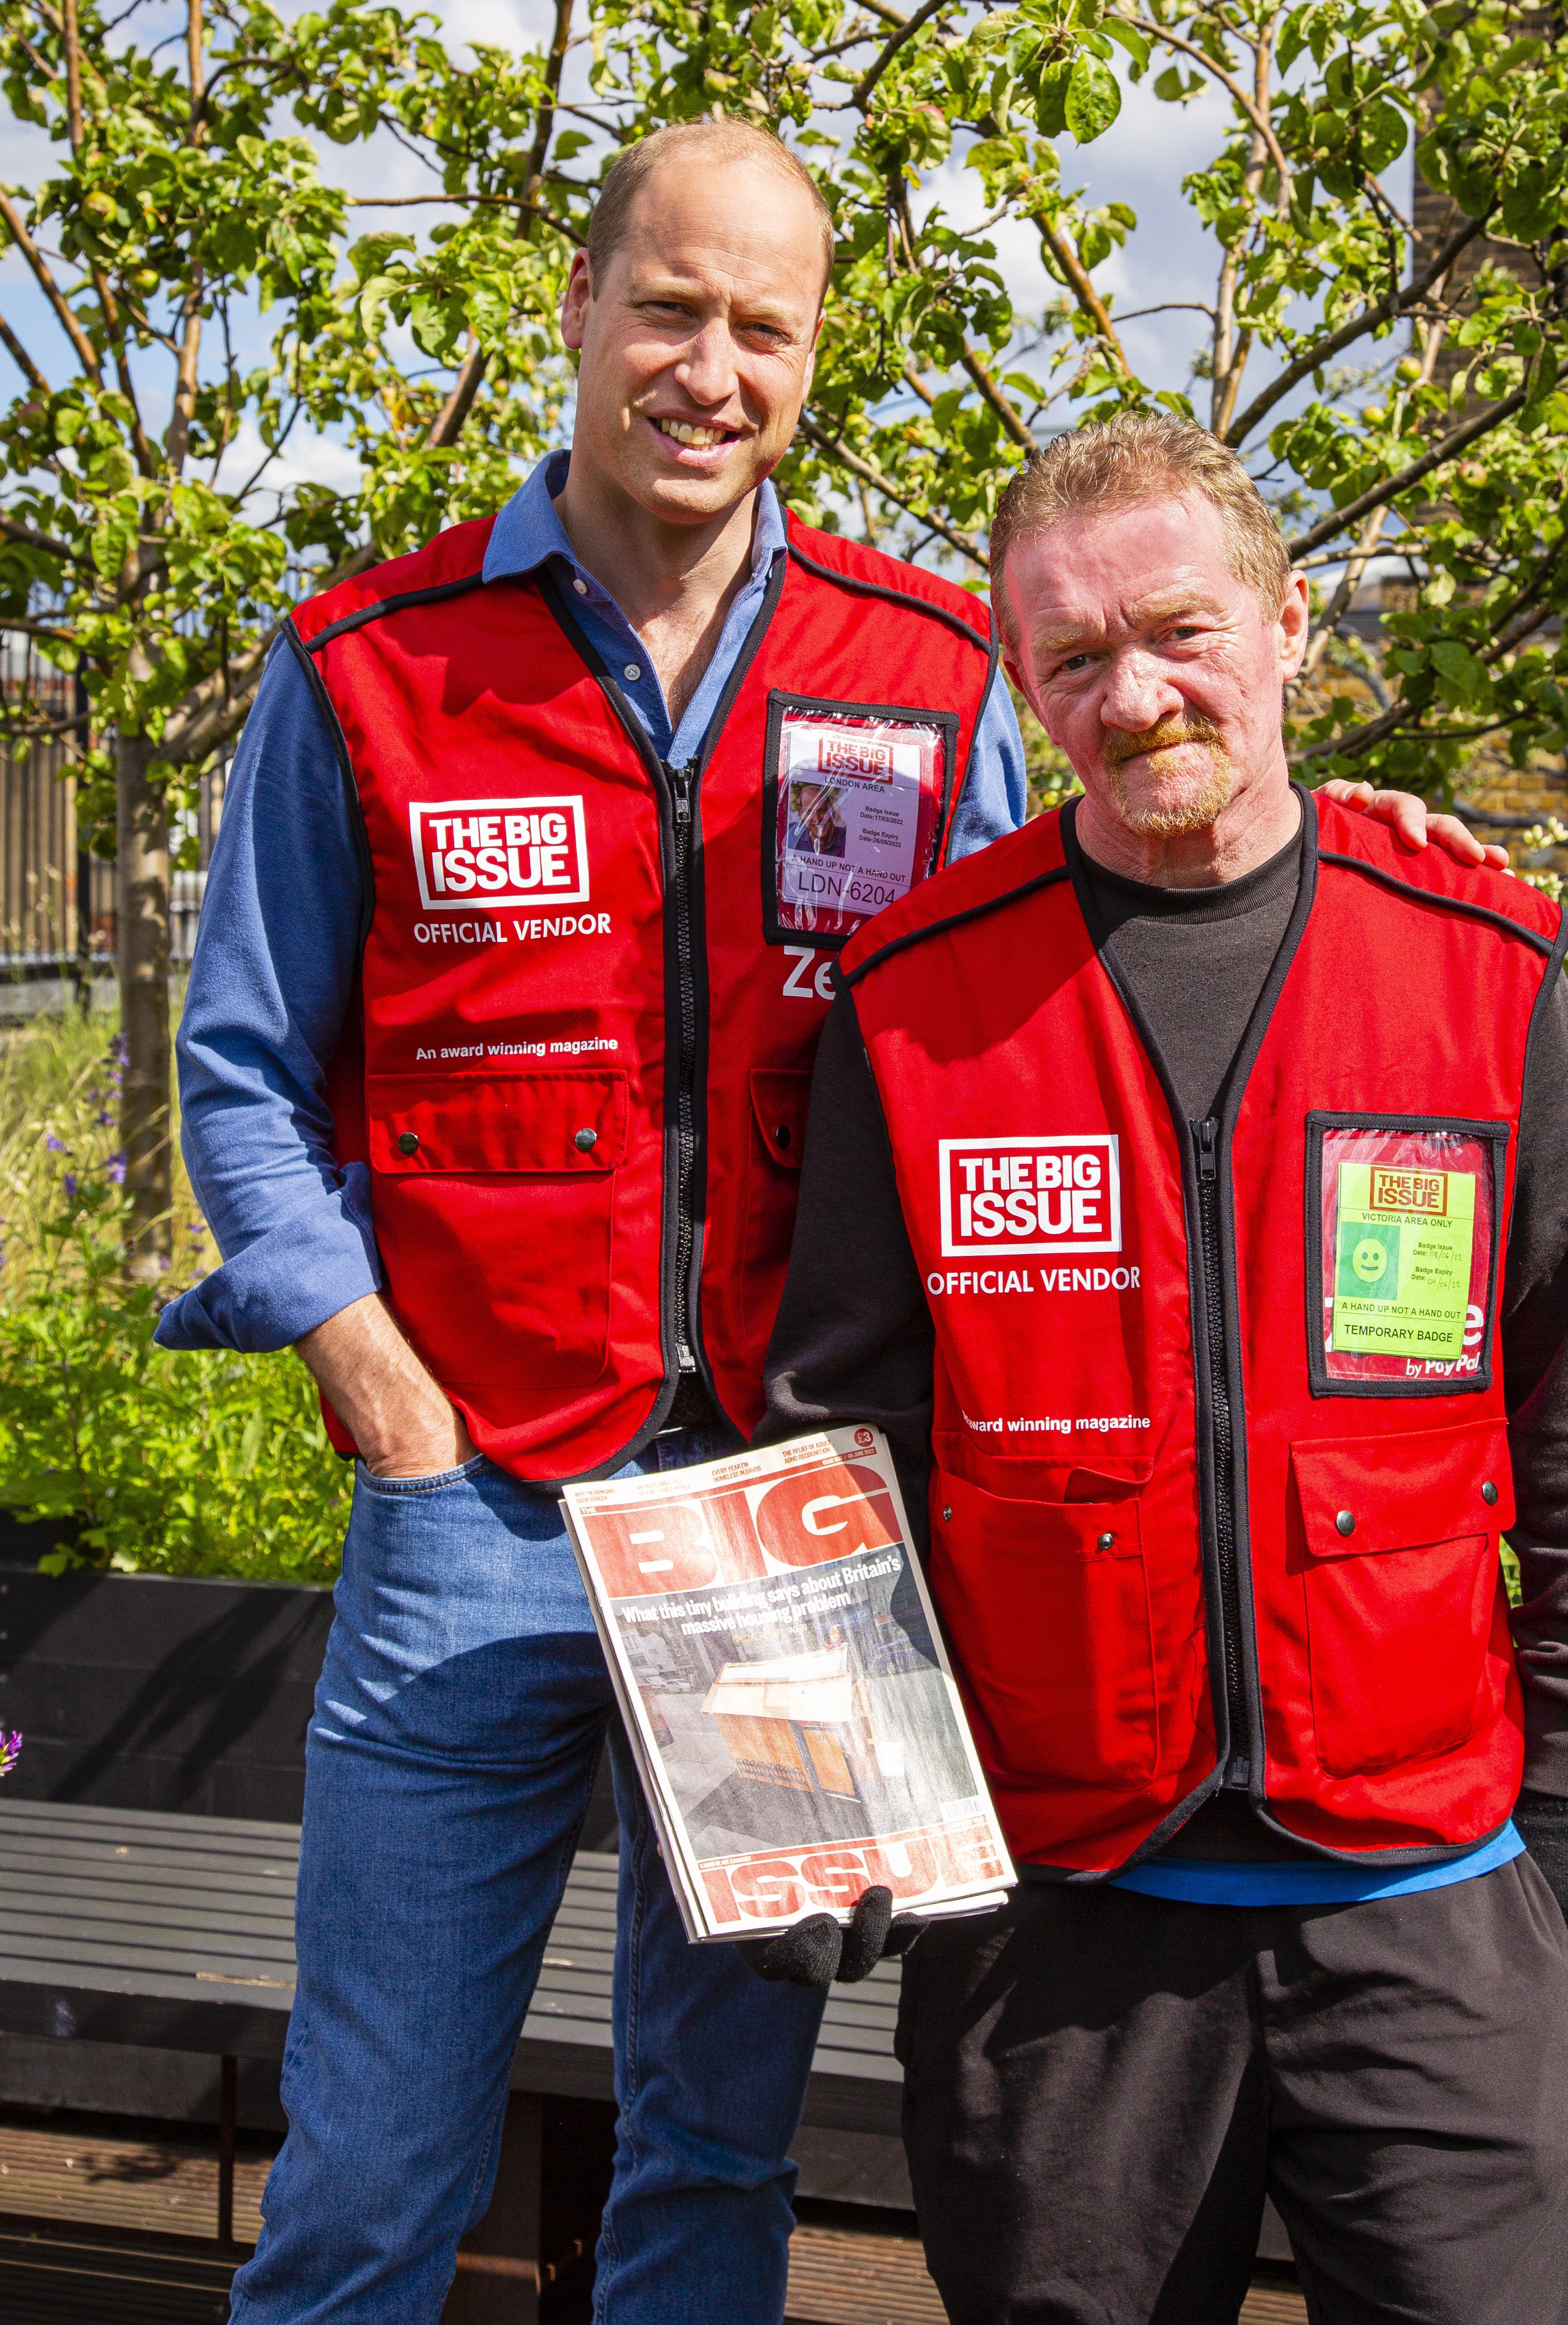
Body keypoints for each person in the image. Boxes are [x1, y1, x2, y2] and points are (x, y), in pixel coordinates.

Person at [162, 116, 1480, 2323]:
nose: (710, 362)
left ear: (811, 354)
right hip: (470, 1505)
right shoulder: (373, 665)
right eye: (669, 303)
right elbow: (243, 1070)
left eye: (763, 323)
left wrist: (1318, 812)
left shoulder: (923, 662)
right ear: (578, 307)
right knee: (377, 2161)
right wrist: (374, 1377)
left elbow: (1105, 892)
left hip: (792, 1522)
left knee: (716, 2143)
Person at [763, 413, 1568, 2325]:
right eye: (1073, 659)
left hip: (1425, 1903)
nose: (1136, 692)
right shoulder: (925, 1005)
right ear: (1025, 686)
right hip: (1061, 1929)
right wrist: (827, 1791)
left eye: (1175, 628)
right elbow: (837, 1438)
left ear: (1286, 627)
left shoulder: (1474, 973)